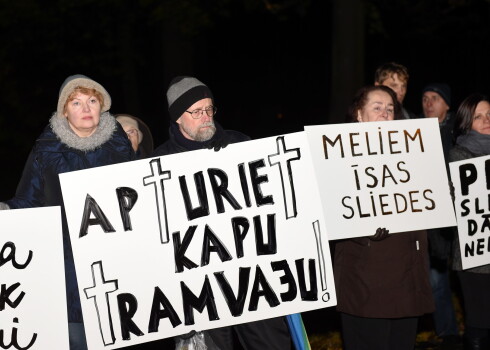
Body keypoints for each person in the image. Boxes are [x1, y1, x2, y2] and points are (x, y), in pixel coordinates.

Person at [151, 76, 293, 350]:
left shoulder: (240, 146)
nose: (206, 117)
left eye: (209, 109)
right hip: (199, 283)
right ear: (178, 117)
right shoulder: (160, 163)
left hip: (251, 275)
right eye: (196, 112)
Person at [0, 74, 135, 350]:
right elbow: (28, 202)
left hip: (116, 279)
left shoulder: (121, 149)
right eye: (76, 102)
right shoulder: (45, 152)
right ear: (64, 111)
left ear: (102, 107)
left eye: (92, 100)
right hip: (65, 279)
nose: (86, 109)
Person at [334, 85, 434, 350]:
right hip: (366, 279)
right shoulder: (337, 155)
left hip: (406, 276)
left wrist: (439, 194)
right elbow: (329, 210)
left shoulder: (413, 151)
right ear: (359, 114)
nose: (385, 114)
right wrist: (358, 229)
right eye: (377, 108)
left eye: (390, 109)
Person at [421, 83, 462, 346]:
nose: (428, 103)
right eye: (424, 98)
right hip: (430, 218)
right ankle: (447, 333)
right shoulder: (413, 133)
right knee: (436, 277)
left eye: (434, 98)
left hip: (459, 216)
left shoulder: (459, 132)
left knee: (467, 276)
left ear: (447, 104)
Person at [450, 93, 490, 349]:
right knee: (480, 322)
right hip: (474, 256)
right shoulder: (458, 155)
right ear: (466, 122)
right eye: (479, 116)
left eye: (489, 115)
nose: (486, 120)